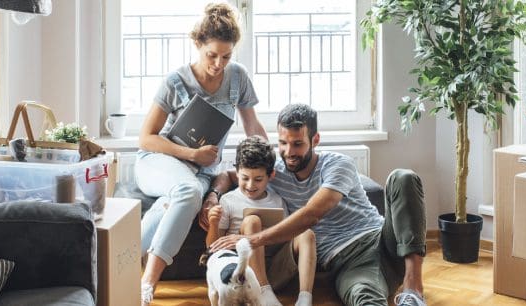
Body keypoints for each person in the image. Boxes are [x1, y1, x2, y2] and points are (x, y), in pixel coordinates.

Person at [210, 104, 429, 306]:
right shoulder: (275, 170)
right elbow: (230, 175)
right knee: (365, 299)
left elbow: (312, 214)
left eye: (297, 144)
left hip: (382, 240)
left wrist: (251, 241)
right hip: (347, 265)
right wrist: (213, 196)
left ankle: (413, 287)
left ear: (315, 140)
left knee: (402, 177)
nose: (289, 152)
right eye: (283, 143)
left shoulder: (337, 164)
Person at [136, 3, 267, 305]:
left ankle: (118, 260)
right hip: (158, 162)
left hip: (201, 173)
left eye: (227, 56)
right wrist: (192, 154)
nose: (219, 63)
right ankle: (148, 281)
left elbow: (252, 126)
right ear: (197, 44)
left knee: (182, 195)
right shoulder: (176, 81)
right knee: (187, 189)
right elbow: (146, 138)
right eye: (212, 55)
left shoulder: (238, 78)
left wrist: (267, 159)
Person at [205, 136, 317, 306]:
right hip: (244, 275)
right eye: (245, 178)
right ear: (237, 173)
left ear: (270, 175)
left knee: (306, 233)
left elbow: (287, 235)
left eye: (258, 179)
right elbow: (213, 250)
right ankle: (264, 291)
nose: (250, 185)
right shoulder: (228, 201)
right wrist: (213, 223)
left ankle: (305, 298)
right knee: (252, 221)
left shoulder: (278, 201)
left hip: (277, 268)